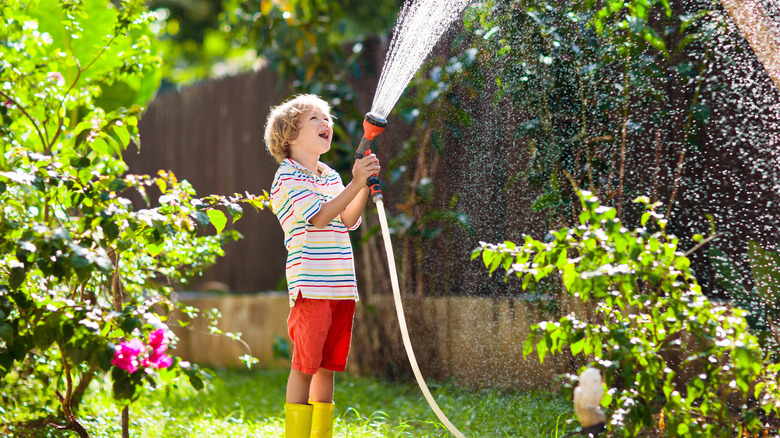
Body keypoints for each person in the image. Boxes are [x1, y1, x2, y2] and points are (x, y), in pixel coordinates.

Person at [264, 94, 380, 438]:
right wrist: (356, 182)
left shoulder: (328, 175)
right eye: (315, 118)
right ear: (290, 136)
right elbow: (318, 217)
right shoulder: (287, 177)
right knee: (305, 366)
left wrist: (362, 183)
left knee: (327, 367)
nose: (326, 123)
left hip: (341, 286)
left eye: (327, 118)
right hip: (311, 286)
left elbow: (347, 219)